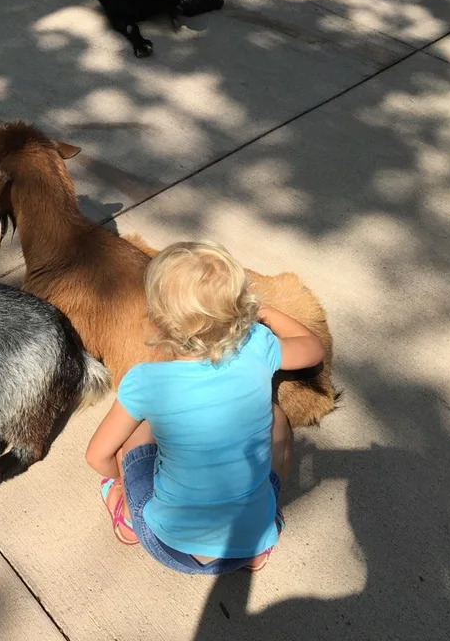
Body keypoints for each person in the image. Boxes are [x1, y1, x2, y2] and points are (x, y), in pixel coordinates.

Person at [85, 241, 325, 574]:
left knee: (138, 432)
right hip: (249, 541)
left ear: (155, 324)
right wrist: (269, 314)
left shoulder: (147, 382)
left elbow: (97, 456)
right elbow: (312, 350)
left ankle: (126, 513)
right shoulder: (258, 344)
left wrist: (123, 481)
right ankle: (265, 527)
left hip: (167, 545)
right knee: (278, 421)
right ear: (241, 310)